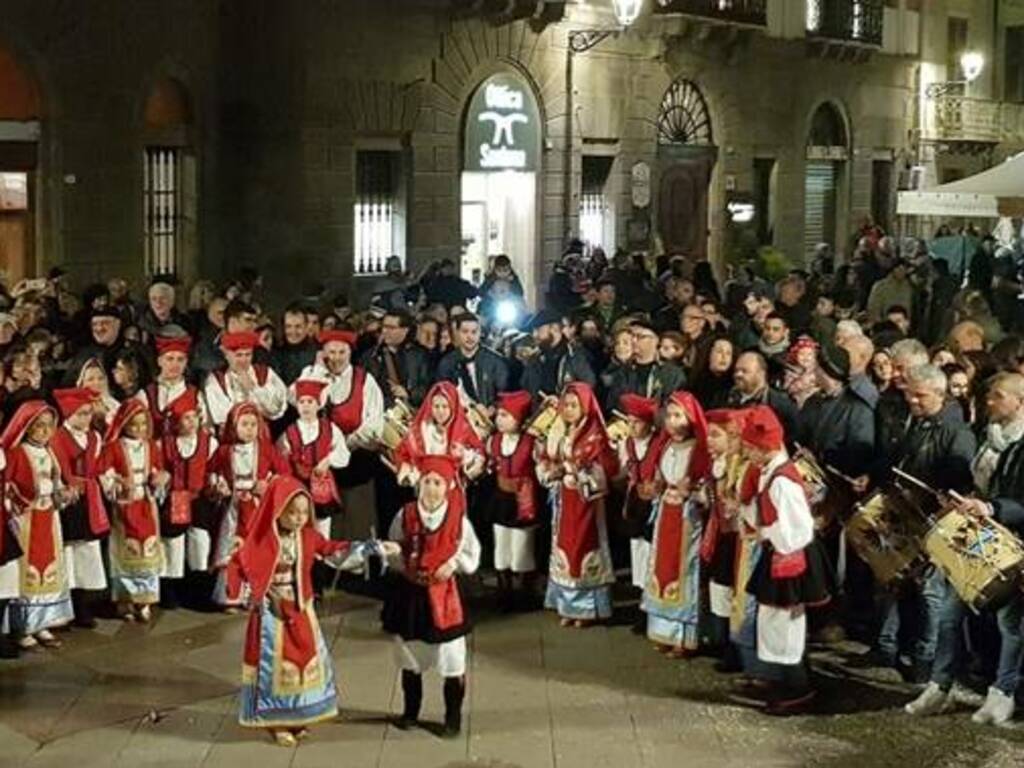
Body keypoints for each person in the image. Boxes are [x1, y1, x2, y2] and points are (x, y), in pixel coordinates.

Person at [226, 475, 396, 747]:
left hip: (301, 607)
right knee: (275, 666)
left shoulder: (307, 537)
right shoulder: (261, 539)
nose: (298, 518)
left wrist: (371, 548)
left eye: (304, 513)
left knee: (305, 659)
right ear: (277, 510)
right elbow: (241, 567)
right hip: (272, 612)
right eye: (292, 512)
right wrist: (258, 593)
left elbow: (333, 550)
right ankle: (277, 721)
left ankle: (298, 715)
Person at [905, 371, 1024, 724]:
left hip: (1012, 545)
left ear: (1019, 401)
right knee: (948, 615)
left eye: (997, 396)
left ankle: (1003, 693)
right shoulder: (989, 439)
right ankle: (940, 686)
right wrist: (969, 500)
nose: (988, 402)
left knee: (1011, 624)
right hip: (981, 539)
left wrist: (993, 507)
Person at [737, 406, 829, 715]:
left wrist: (764, 531)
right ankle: (781, 679)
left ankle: (797, 687)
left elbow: (797, 531)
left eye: (750, 448)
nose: (746, 454)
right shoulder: (769, 473)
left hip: (789, 559)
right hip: (779, 554)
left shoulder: (782, 482)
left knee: (786, 625)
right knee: (775, 623)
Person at [381, 455, 481, 737]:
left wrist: (453, 565)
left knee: (451, 659)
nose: (432, 489)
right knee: (410, 656)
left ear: (448, 486)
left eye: (438, 483)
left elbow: (471, 554)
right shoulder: (407, 514)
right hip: (412, 595)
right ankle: (411, 712)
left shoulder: (458, 519)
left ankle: (452, 718)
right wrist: (400, 561)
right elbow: (396, 546)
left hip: (445, 598)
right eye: (427, 482)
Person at [538, 382, 617, 627]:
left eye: (574, 405)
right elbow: (546, 459)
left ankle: (587, 610)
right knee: (565, 547)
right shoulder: (559, 431)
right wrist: (551, 472)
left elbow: (606, 469)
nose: (569, 410)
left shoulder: (595, 434)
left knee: (584, 548)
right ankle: (567, 607)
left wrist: (577, 471)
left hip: (587, 503)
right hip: (564, 500)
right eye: (566, 405)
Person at [642, 391, 709, 657]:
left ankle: (684, 637)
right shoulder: (666, 445)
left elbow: (707, 491)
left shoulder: (699, 450)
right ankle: (663, 631)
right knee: (662, 569)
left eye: (678, 415)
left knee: (683, 572)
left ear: (691, 417)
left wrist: (690, 493)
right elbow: (660, 474)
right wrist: (656, 487)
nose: (672, 421)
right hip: (665, 514)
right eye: (669, 415)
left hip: (687, 519)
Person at [3, 401, 74, 649]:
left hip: (49, 517)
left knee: (49, 566)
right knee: (28, 570)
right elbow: (7, 487)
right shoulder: (17, 453)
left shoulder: (50, 452)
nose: (45, 431)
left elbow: (57, 483)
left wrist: (63, 494)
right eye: (39, 426)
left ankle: (43, 623)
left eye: (49, 426)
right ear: (26, 427)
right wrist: (18, 502)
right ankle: (22, 627)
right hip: (26, 520)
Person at [209, 403, 290, 610]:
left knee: (258, 548)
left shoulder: (267, 450)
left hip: (258, 507)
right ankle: (231, 597)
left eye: (253, 424)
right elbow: (211, 472)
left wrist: (269, 484)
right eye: (244, 424)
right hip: (234, 507)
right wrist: (219, 484)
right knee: (232, 548)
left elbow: (284, 473)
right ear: (234, 426)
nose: (249, 429)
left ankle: (256, 596)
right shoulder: (225, 451)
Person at [99, 399, 169, 622]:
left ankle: (145, 600)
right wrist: (117, 483)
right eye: (133, 424)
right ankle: (125, 600)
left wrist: (160, 479)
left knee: (147, 555)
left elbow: (160, 470)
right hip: (124, 507)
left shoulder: (151, 447)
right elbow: (105, 474)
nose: (139, 429)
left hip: (146, 505)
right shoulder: (113, 447)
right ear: (124, 424)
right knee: (125, 555)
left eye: (143, 424)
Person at [701, 409, 756, 672]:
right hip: (722, 532)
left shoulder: (746, 467)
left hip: (738, 536)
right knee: (720, 585)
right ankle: (721, 639)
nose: (710, 440)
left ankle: (735, 648)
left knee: (735, 589)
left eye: (718, 435)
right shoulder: (723, 464)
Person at [51, 387, 109, 629]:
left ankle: (84, 604)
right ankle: (65, 607)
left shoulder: (95, 437)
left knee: (87, 553)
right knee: (68, 555)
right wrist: (71, 483)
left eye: (88, 413)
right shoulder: (59, 438)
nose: (86, 419)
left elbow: (99, 465)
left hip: (90, 500)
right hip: (70, 501)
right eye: (81, 414)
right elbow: (62, 468)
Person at [160, 390, 218, 610]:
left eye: (194, 416)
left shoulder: (208, 442)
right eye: (186, 417)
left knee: (200, 541)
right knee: (173, 546)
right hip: (175, 498)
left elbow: (213, 467)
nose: (191, 422)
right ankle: (171, 592)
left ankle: (200, 592)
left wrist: (215, 481)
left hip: (199, 498)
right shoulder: (165, 444)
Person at [483, 391, 540, 612]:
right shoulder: (494, 441)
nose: (499, 419)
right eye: (499, 415)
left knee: (522, 548)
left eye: (506, 415)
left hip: (523, 501)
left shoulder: (531, 443)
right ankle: (504, 591)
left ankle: (526, 592)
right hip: (501, 500)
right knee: (502, 546)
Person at [277, 379, 349, 538]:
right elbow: (280, 458)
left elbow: (343, 453)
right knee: (297, 529)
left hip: (321, 484)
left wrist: (328, 461)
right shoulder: (289, 432)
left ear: (318, 404)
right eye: (302, 402)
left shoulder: (329, 428)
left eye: (310, 401)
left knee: (322, 529)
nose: (306, 406)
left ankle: (320, 557)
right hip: (297, 484)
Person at [203, 330, 288, 428]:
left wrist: (254, 388)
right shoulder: (216, 379)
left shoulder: (265, 373)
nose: (243, 360)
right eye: (238, 355)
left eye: (248, 355)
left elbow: (276, 407)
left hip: (261, 434)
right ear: (227, 356)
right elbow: (220, 415)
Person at [436, 312, 510, 410]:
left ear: (480, 333)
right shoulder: (447, 363)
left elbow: (504, 395)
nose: (470, 336)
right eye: (465, 331)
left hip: (490, 418)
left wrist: (491, 410)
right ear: (457, 332)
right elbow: (442, 395)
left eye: (474, 332)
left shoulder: (495, 361)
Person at [361, 310, 431, 408]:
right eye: (384, 327)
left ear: (405, 330)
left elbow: (427, 386)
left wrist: (408, 394)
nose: (385, 331)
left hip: (411, 410)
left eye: (391, 328)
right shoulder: (371, 356)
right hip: (380, 411)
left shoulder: (419, 355)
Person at [521, 309, 596, 400]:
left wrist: (563, 400)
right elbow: (525, 389)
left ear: (554, 329)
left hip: (564, 411)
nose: (534, 335)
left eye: (538, 330)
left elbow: (587, 386)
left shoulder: (575, 356)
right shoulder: (535, 358)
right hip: (539, 411)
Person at [728, 350, 799, 442]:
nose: (738, 374)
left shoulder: (782, 405)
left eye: (744, 371)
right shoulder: (724, 397)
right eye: (736, 370)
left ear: (761, 373)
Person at [138, 335, 194, 438]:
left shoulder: (195, 395)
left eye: (180, 360)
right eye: (170, 359)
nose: (175, 364)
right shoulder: (146, 394)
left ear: (186, 363)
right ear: (159, 361)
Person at [626, 319, 687, 401]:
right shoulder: (624, 371)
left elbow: (673, 404)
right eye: (632, 336)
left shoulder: (672, 374)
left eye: (640, 337)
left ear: (656, 340)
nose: (633, 341)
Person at [271, 303, 318, 385]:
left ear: (307, 327)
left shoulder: (318, 353)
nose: (293, 332)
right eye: (288, 326)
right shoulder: (275, 352)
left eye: (298, 326)